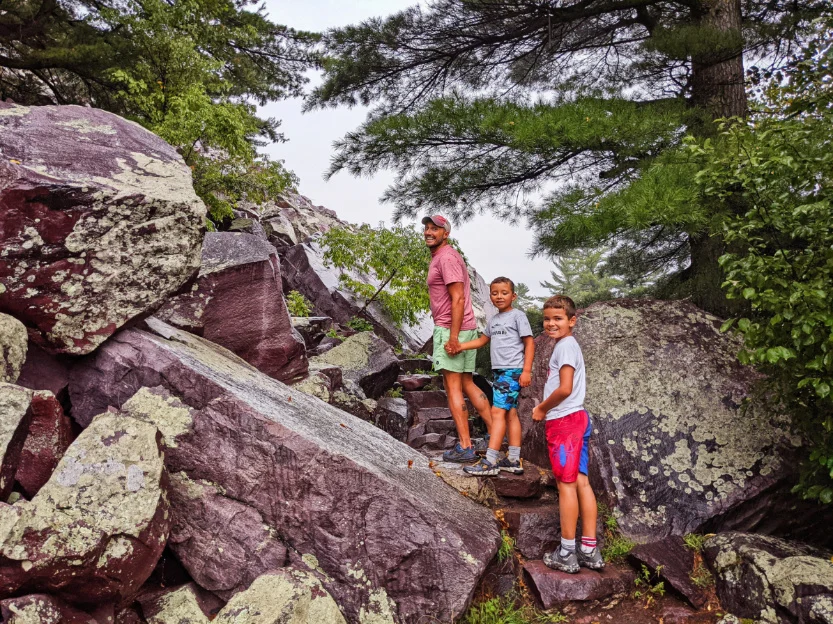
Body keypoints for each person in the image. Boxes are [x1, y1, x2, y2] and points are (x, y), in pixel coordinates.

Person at [532, 295, 604, 573]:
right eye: (547, 318)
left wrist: (541, 408)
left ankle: (566, 551)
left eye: (558, 318)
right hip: (579, 419)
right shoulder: (569, 345)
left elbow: (563, 388)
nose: (551, 323)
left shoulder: (564, 347)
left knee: (566, 486)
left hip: (564, 423)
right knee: (582, 483)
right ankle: (589, 549)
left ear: (572, 321)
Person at [422, 214, 493, 463]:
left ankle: (465, 446)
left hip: (453, 328)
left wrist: (452, 337)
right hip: (465, 327)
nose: (429, 232)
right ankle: (496, 435)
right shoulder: (445, 256)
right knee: (467, 383)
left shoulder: (447, 258)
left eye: (435, 229)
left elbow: (459, 298)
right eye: (427, 228)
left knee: (453, 386)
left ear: (446, 234)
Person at [453, 277, 534, 476]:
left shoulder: (518, 316)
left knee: (497, 413)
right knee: (511, 413)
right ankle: (513, 460)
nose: (499, 296)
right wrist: (460, 346)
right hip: (500, 371)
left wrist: (526, 370)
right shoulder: (495, 320)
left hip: (512, 371)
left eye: (504, 293)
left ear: (513, 296)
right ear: (490, 296)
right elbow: (482, 340)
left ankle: (490, 461)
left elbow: (530, 343)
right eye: (495, 293)